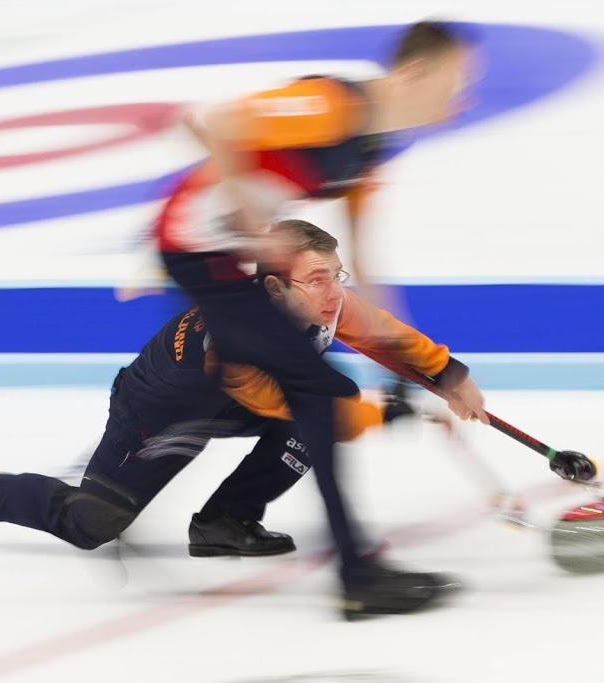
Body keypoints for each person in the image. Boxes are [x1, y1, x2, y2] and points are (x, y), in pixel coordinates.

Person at [0, 220, 572, 619]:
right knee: (91, 524)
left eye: (337, 272)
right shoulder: (238, 339)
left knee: (315, 413)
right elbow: (293, 407)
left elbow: (384, 335)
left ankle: (224, 522)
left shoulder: (325, 302)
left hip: (238, 404)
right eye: (317, 279)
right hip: (159, 415)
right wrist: (381, 412)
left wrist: (448, 374)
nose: (334, 291)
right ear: (273, 288)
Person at [149, 21, 489, 616]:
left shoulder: (368, 149)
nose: (463, 98)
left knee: (319, 393)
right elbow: (215, 121)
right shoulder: (332, 107)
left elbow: (367, 265)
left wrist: (433, 371)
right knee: (318, 390)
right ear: (413, 73)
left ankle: (355, 571)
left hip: (226, 263)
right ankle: (356, 574)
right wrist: (253, 226)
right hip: (193, 250)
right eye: (456, 81)